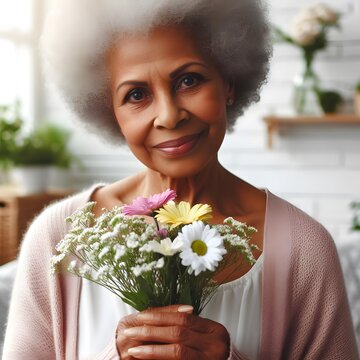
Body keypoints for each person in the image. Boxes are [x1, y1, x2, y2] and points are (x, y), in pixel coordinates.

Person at [3, 0, 359, 359]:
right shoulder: (58, 237)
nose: (169, 116)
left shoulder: (304, 249)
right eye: (136, 95)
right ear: (110, 112)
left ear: (229, 84)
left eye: (189, 80)